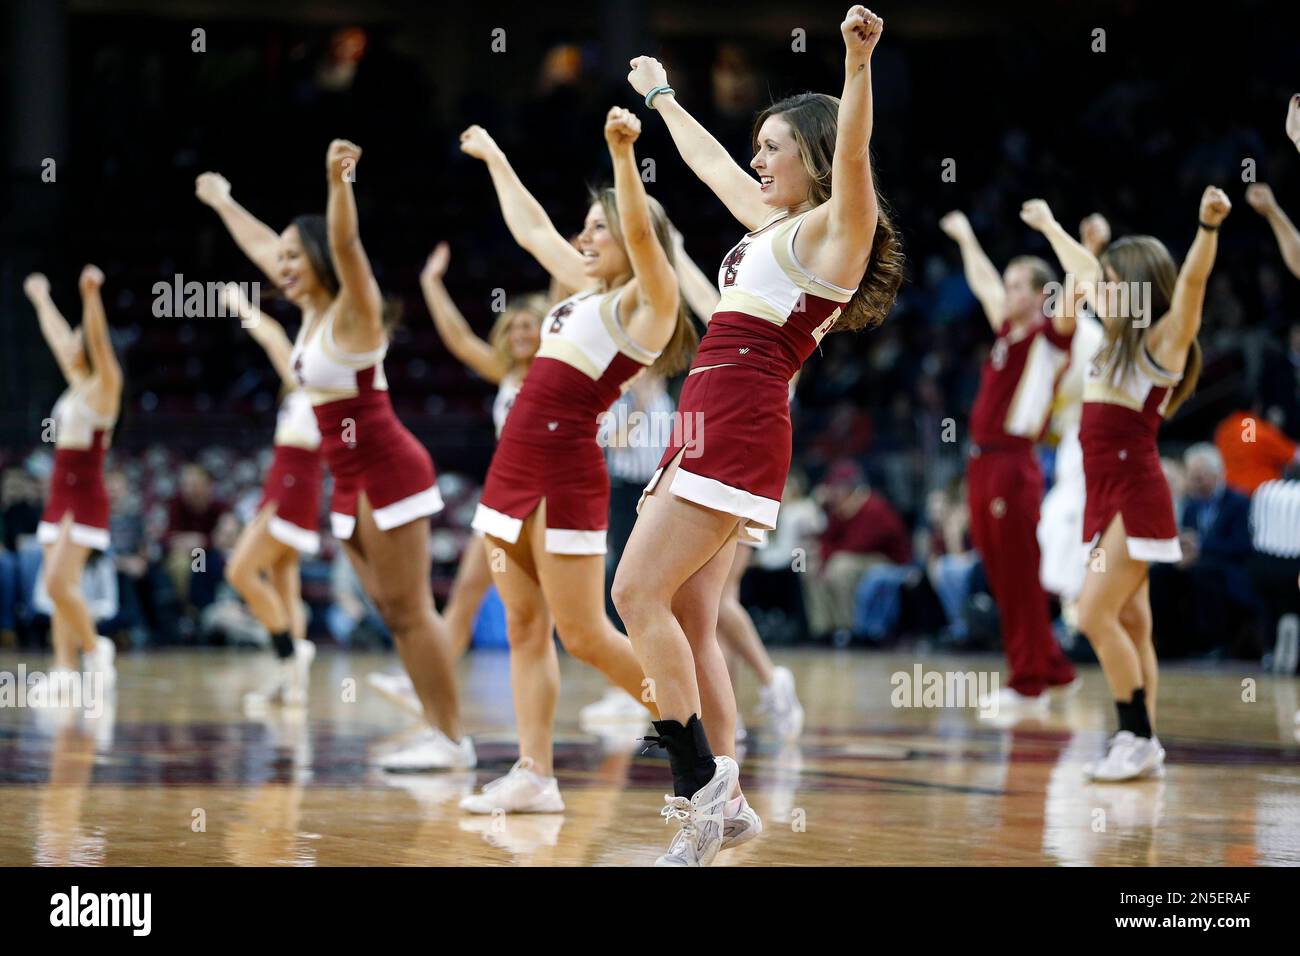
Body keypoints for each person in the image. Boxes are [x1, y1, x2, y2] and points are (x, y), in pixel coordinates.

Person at [616, 6, 902, 865]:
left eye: (774, 147)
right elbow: (707, 168)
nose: (758, 160)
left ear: (811, 157)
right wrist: (664, 96)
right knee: (696, 623)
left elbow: (852, 152)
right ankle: (726, 803)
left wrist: (856, 65)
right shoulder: (773, 227)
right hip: (705, 415)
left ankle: (696, 789)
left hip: (738, 421)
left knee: (636, 595)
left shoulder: (835, 229)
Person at [196, 144, 471, 771]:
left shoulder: (353, 311)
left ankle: (453, 740)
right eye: (283, 257)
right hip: (348, 478)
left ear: (319, 258)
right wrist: (223, 202)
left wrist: (337, 184)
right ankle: (437, 730)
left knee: (411, 611)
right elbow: (265, 246)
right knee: (395, 614)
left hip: (386, 470)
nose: (281, 265)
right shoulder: (313, 313)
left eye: (296, 256)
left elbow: (346, 248)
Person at [457, 108, 694, 814]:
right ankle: (534, 774)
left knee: (585, 634)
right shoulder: (580, 292)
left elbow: (648, 242)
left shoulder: (646, 306)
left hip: (565, 474)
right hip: (510, 474)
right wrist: (497, 156)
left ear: (632, 237)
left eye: (600, 229)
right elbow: (531, 228)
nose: (583, 238)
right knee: (526, 628)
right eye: (585, 227)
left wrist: (623, 155)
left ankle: (699, 752)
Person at [1027, 185, 1232, 781]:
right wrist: (1050, 225)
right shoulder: (1110, 336)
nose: (1102, 287)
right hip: (1103, 497)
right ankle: (1144, 742)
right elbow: (1082, 268)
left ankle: (1134, 735)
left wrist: (1207, 228)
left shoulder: (1160, 342)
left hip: (1136, 498)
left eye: (1116, 281)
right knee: (1135, 622)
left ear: (1142, 287)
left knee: (1091, 615)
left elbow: (1191, 288)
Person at [938, 204, 1078, 708]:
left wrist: (1059, 232)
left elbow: (1076, 288)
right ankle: (1054, 668)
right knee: (1000, 571)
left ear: (1043, 295)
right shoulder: (1006, 331)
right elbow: (983, 283)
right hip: (983, 463)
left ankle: (1028, 682)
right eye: (1011, 283)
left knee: (1019, 572)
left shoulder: (1050, 338)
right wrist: (966, 234)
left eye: (1019, 284)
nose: (1008, 290)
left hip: (1013, 463)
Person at [220, 285, 322, 708]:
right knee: (283, 585)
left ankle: (289, 653)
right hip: (284, 484)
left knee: (240, 572)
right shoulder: (300, 392)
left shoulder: (316, 386)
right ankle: (291, 684)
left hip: (293, 488)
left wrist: (242, 307)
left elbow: (273, 338)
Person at [24, 267, 121, 687]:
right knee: (58, 590)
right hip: (59, 496)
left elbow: (97, 339)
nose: (72, 343)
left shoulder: (105, 386)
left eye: (80, 338)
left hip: (85, 498)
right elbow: (56, 335)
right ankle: (64, 670)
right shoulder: (76, 384)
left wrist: (90, 295)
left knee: (58, 583)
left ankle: (97, 651)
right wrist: (41, 298)